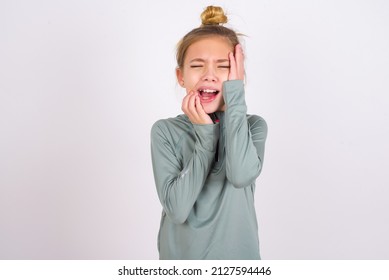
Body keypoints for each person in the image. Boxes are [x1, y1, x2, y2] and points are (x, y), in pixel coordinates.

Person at [150, 5, 268, 260]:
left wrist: (235, 98)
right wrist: (205, 135)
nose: (209, 75)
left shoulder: (254, 126)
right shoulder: (165, 131)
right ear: (181, 76)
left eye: (223, 66)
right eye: (197, 65)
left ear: (238, 76)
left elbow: (239, 175)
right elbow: (177, 209)